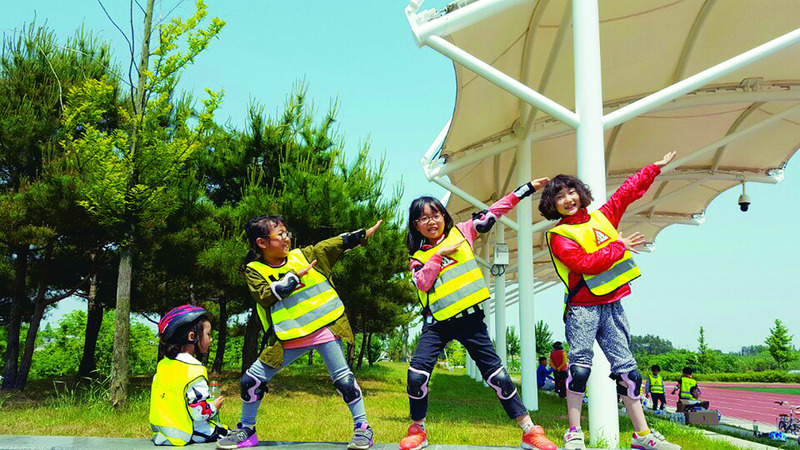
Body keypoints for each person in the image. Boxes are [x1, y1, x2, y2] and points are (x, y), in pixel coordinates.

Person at [539, 151, 681, 450]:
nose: (568, 199)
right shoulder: (558, 235)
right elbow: (584, 263)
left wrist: (653, 167)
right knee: (579, 370)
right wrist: (619, 244)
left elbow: (626, 192)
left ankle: (643, 436)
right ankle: (574, 433)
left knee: (629, 371)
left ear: (581, 193)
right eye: (560, 196)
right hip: (582, 309)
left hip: (613, 304)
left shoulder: (602, 218)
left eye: (571, 191)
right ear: (552, 205)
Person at [402, 179, 556, 450]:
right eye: (423, 218)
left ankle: (529, 430)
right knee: (416, 376)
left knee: (498, 377)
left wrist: (525, 189)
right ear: (416, 225)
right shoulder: (417, 257)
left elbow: (495, 211)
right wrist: (438, 256)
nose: (431, 221)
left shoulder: (462, 233)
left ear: (444, 216)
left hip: (471, 321)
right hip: (437, 324)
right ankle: (418, 429)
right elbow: (423, 283)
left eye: (435, 214)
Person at [217, 215, 382, 450]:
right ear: (262, 243)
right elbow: (265, 294)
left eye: (287, 233)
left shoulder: (304, 255)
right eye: (280, 234)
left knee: (344, 381)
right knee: (250, 381)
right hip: (288, 336)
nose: (287, 238)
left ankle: (363, 428)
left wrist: (362, 235)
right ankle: (246, 429)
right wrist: (293, 279)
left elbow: (333, 244)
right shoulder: (254, 270)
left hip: (325, 328)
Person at [150, 305, 228, 446]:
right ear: (192, 337)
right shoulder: (194, 370)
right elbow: (199, 413)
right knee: (228, 433)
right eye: (208, 334)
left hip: (161, 434)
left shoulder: (163, 365)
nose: (210, 340)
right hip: (185, 434)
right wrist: (214, 407)